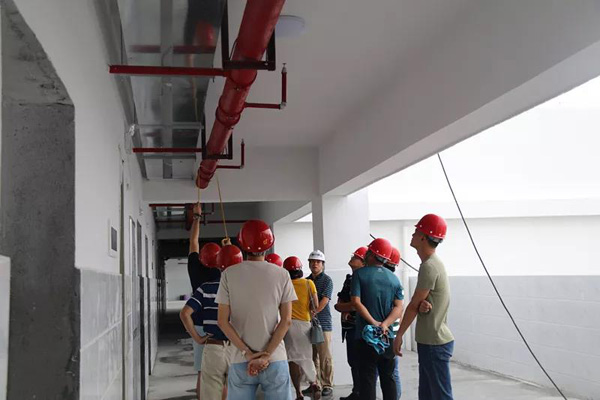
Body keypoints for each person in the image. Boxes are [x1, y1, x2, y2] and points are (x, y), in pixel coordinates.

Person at [216, 220, 297, 400]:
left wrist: (247, 353)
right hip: (275, 358)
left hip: (240, 359)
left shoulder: (228, 274)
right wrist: (266, 355)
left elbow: (222, 322)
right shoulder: (282, 274)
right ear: (269, 244)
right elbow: (286, 321)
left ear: (241, 244)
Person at [394, 214, 454, 400]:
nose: (413, 235)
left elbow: (413, 305)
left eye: (416, 231)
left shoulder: (430, 266)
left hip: (435, 342)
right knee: (427, 394)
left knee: (441, 396)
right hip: (430, 341)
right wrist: (422, 304)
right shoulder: (430, 264)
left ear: (423, 237)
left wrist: (399, 335)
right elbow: (421, 303)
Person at [351, 238, 404, 400]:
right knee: (388, 378)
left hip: (365, 336)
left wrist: (373, 322)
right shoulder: (394, 279)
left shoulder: (359, 274)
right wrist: (385, 324)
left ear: (373, 254)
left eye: (368, 251)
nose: (366, 254)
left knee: (367, 380)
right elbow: (399, 307)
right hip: (387, 337)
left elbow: (356, 302)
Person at [180, 258, 228, 400]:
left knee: (211, 390)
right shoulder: (241, 288)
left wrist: (198, 338)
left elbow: (185, 313)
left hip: (214, 347)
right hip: (238, 349)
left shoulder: (205, 288)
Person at [186, 203, 217, 398]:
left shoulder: (195, 269)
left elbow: (193, 242)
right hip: (220, 325)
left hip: (198, 325)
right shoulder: (223, 272)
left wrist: (197, 218)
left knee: (202, 372)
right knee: (222, 374)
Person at [282, 256, 321, 400]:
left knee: (292, 360)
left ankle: (298, 393)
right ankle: (313, 382)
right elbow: (315, 305)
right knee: (307, 357)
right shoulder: (309, 283)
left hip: (288, 325)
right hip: (305, 325)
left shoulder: (284, 284)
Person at [334, 247, 367, 400]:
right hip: (349, 327)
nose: (352, 258)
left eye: (356, 257)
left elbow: (356, 305)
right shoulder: (349, 279)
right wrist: (343, 307)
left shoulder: (365, 280)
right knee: (353, 361)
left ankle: (363, 393)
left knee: (362, 363)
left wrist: (345, 307)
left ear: (363, 262)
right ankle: (357, 391)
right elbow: (340, 301)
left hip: (361, 328)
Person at [303, 250, 334, 397]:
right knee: (311, 356)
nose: (315, 264)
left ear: (322, 264)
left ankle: (327, 385)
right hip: (307, 324)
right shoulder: (306, 281)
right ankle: (314, 384)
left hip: (323, 324)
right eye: (312, 261)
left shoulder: (327, 280)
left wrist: (313, 312)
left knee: (324, 356)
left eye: (318, 262)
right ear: (309, 264)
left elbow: (325, 300)